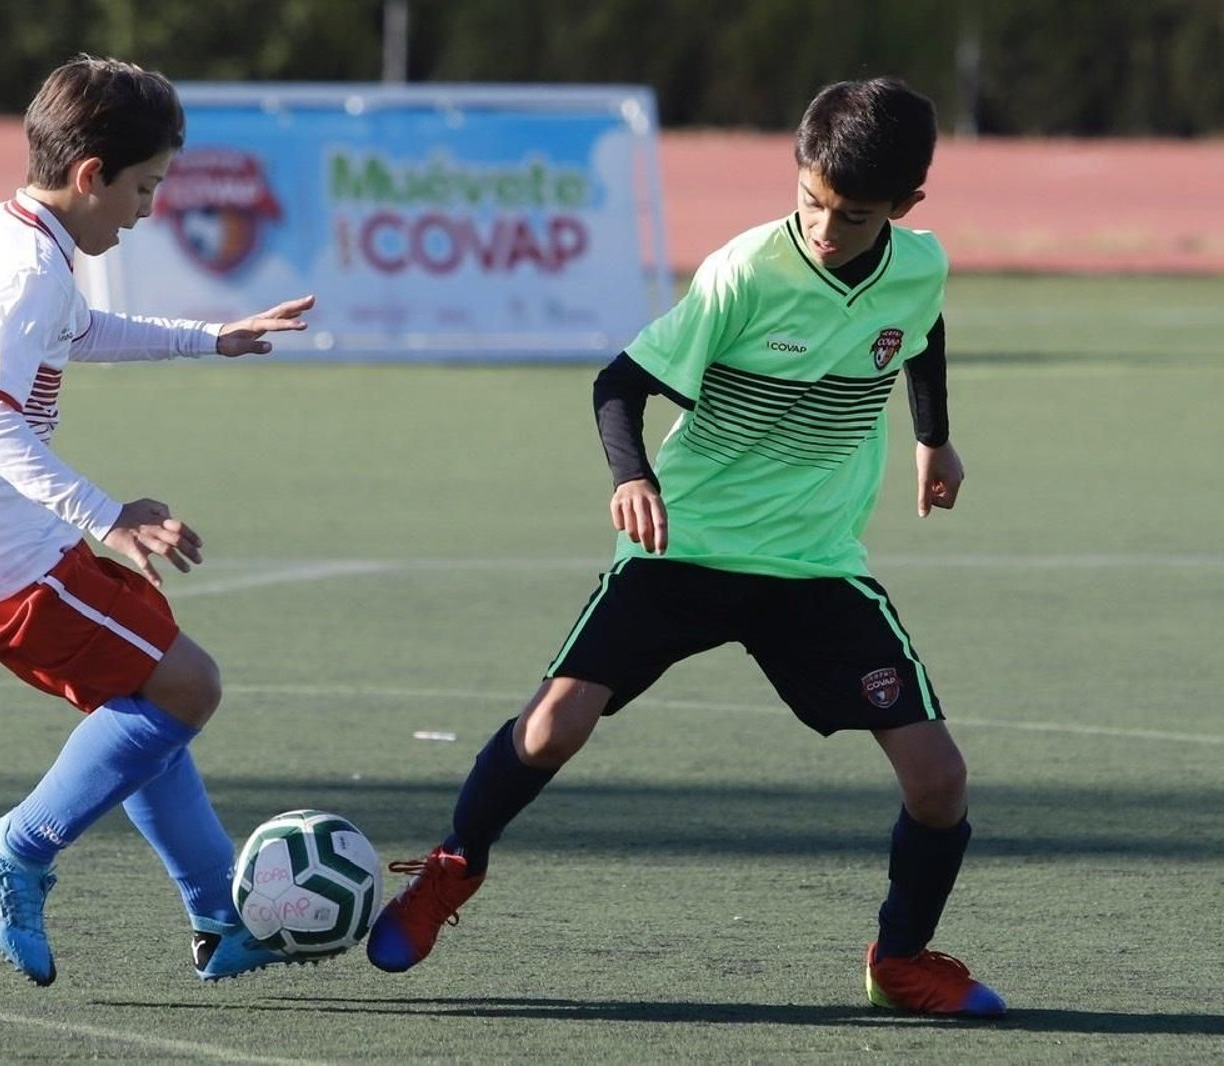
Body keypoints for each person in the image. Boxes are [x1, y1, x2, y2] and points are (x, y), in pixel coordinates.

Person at [365, 77, 1006, 1017]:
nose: (826, 229)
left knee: (940, 782)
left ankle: (899, 959)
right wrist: (633, 478)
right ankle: (456, 867)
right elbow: (618, 384)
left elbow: (919, 326)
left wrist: (931, 435)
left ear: (907, 207)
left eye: (856, 216)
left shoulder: (921, 264)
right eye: (812, 202)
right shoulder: (743, 273)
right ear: (798, 174)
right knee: (553, 726)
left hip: (813, 567)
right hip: (685, 549)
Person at [0, 55, 316, 985]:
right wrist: (107, 515)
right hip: (6, 559)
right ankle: (14, 849)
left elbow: (82, 335)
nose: (148, 208)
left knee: (148, 702)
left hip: (13, 544)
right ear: (91, 174)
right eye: (143, 187)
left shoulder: (23, 237)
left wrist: (212, 337)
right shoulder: (21, 270)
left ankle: (222, 919)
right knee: (189, 688)